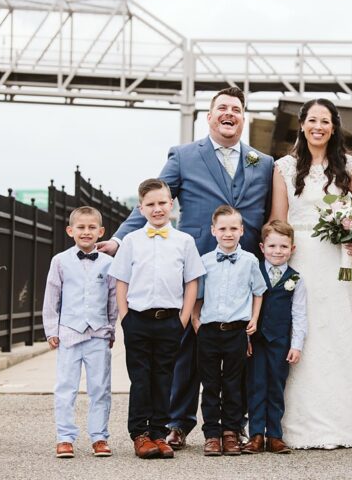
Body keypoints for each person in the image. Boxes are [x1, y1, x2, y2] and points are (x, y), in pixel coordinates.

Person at [98, 86, 273, 451]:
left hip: (240, 269)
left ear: (244, 117)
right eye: (222, 108)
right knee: (186, 347)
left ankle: (230, 426)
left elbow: (271, 215)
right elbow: (155, 200)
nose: (229, 113)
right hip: (193, 267)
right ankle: (177, 423)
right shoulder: (183, 156)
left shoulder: (264, 162)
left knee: (237, 347)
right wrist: (118, 239)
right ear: (209, 116)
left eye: (236, 109)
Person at [270, 98, 352, 448]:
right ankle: (293, 419)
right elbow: (279, 220)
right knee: (303, 327)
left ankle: (347, 417)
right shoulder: (284, 167)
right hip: (301, 257)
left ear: (334, 127)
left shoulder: (349, 164)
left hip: (338, 260)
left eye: (326, 121)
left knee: (339, 328)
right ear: (301, 124)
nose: (319, 126)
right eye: (312, 120)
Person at [108, 178, 205, 459]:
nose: (157, 208)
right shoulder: (131, 241)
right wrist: (126, 317)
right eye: (151, 204)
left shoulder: (184, 241)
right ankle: (140, 434)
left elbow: (192, 282)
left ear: (171, 204)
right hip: (138, 319)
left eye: (162, 203)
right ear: (141, 209)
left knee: (164, 378)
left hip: (170, 321)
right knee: (141, 379)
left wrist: (184, 318)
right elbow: (121, 281)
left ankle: (159, 433)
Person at [42, 206, 117, 459]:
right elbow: (52, 297)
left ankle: (99, 437)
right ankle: (65, 437)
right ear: (70, 230)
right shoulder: (60, 261)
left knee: (100, 388)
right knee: (66, 387)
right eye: (81, 228)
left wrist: (111, 330)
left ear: (101, 231)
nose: (86, 232)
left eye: (92, 227)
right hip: (69, 334)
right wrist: (52, 330)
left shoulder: (108, 263)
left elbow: (113, 300)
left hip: (98, 334)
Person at [192, 206, 266, 457]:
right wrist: (196, 322)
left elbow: (258, 291)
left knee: (234, 384)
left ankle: (231, 432)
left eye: (234, 228)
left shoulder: (250, 261)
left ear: (242, 231)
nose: (228, 233)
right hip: (209, 331)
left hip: (237, 331)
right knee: (210, 384)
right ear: (213, 231)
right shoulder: (204, 262)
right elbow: (197, 297)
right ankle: (212, 434)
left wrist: (253, 319)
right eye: (222, 228)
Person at [244, 220, 307, 455]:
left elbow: (299, 314)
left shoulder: (296, 279)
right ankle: (256, 434)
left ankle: (275, 435)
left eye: (283, 246)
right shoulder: (253, 271)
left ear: (292, 249)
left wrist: (296, 345)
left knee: (276, 387)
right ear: (262, 247)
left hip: (280, 341)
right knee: (256, 385)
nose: (277, 251)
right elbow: (243, 306)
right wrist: (245, 339)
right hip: (256, 340)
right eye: (272, 246)